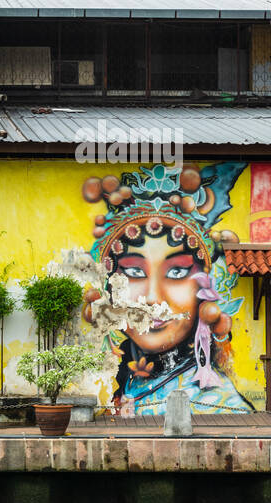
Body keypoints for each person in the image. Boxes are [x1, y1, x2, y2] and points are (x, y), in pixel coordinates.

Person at [81, 164, 253, 417]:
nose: (152, 298)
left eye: (176, 272)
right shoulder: (127, 377)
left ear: (204, 289)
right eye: (134, 272)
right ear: (109, 286)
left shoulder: (219, 404)